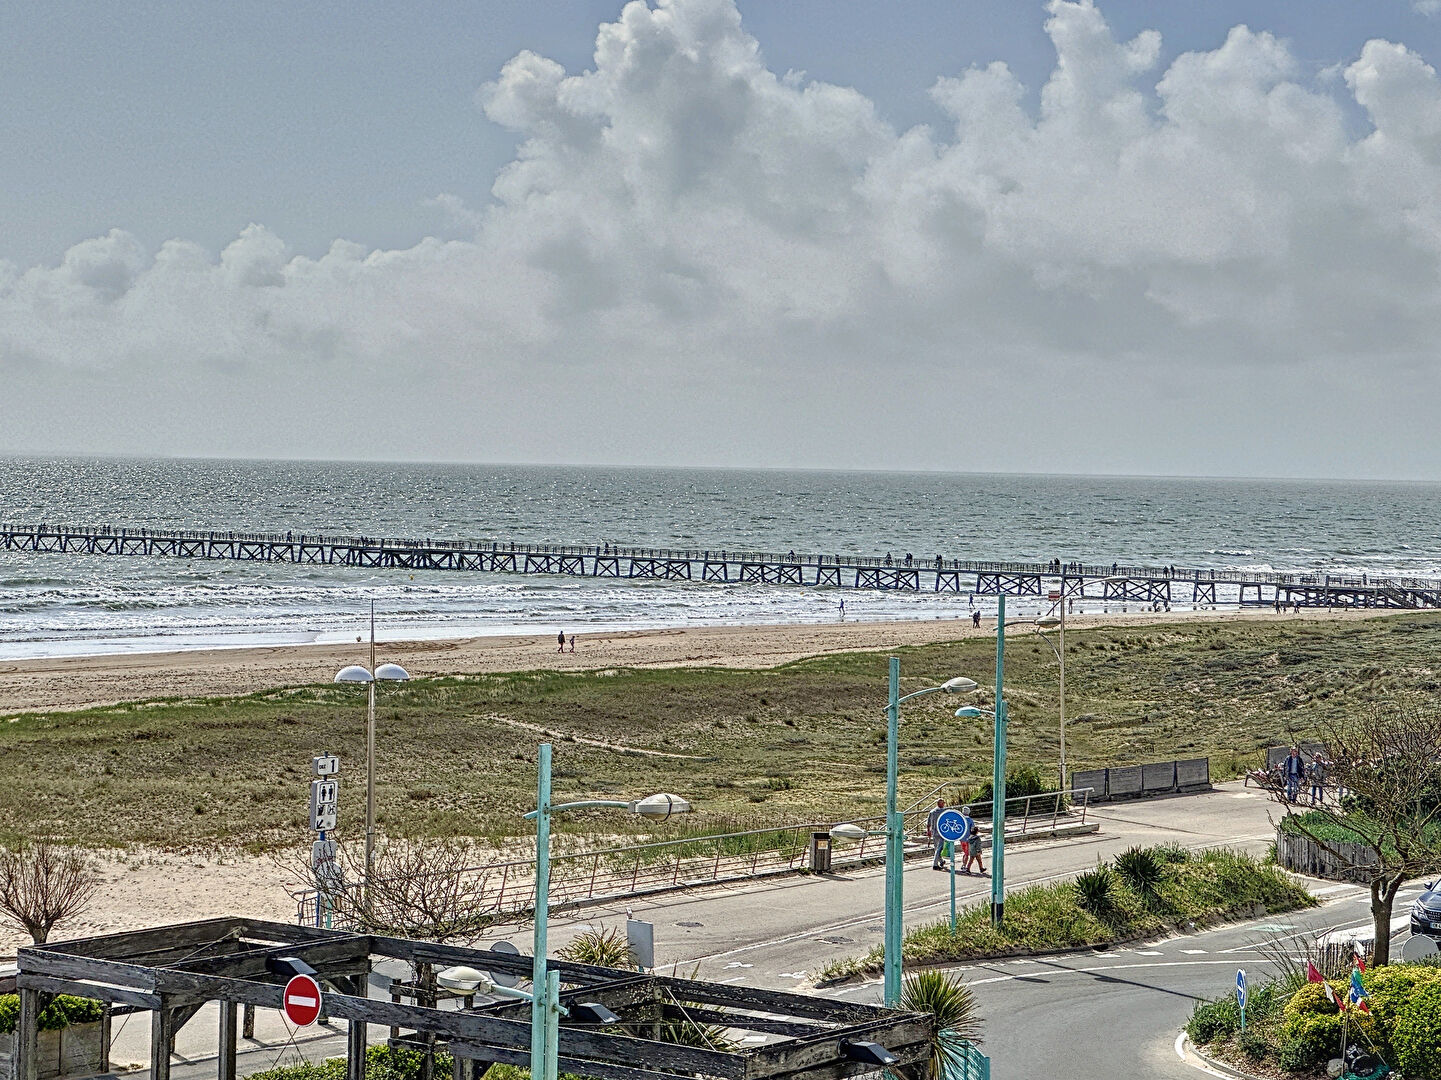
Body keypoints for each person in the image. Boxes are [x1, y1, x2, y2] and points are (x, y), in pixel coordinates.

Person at [962, 806, 986, 875]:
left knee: (965, 853)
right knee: (969, 856)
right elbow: (978, 845)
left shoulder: (961, 820)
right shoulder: (970, 820)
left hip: (962, 839)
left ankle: (964, 865)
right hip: (971, 844)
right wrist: (979, 851)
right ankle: (966, 867)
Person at [927, 799, 948, 870]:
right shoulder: (944, 811)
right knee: (939, 849)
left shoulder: (932, 812)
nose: (944, 804)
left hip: (934, 832)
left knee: (937, 848)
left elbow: (928, 823)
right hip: (941, 832)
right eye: (943, 803)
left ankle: (941, 861)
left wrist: (929, 831)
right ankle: (935, 864)